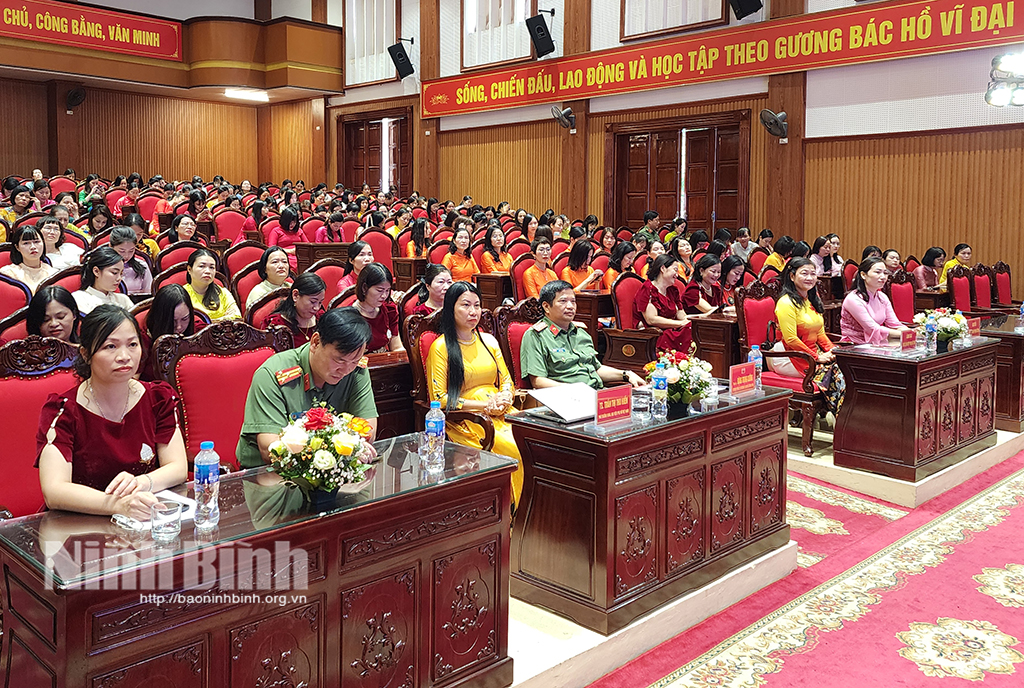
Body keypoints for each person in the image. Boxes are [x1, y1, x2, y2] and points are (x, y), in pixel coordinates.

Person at [36, 305, 188, 517]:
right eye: (110, 347)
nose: (124, 356)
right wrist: (117, 505)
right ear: (86, 354)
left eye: (132, 344)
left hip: (140, 518)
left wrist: (139, 483)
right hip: (79, 525)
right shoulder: (63, 410)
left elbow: (178, 467)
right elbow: (54, 491)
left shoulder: (158, 398)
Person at [237, 307, 377, 469]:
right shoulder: (273, 374)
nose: (346, 370)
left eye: (354, 361)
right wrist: (336, 451)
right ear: (316, 342)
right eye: (339, 360)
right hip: (267, 475)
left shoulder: (356, 370)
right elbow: (270, 448)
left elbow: (368, 428)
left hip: (335, 474)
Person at [425, 282, 522, 504]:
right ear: (451, 308)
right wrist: (483, 407)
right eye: (465, 305)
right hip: (468, 418)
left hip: (501, 411)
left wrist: (505, 397)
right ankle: (512, 516)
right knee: (513, 448)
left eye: (477, 305)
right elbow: (438, 398)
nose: (473, 311)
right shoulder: (441, 347)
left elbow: (506, 380)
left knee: (533, 441)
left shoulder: (488, 340)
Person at [520, 281, 645, 389]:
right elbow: (537, 381)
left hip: (596, 393)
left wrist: (626, 374)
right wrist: (574, 390)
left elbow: (596, 369)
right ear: (546, 307)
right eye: (563, 301)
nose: (570, 306)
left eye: (573, 301)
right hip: (566, 398)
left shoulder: (581, 332)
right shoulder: (536, 335)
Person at [774, 257, 843, 413]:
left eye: (813, 273)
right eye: (804, 273)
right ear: (792, 276)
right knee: (837, 373)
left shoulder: (810, 300)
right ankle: (840, 416)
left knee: (845, 365)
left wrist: (832, 350)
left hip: (812, 353)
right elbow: (791, 340)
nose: (810, 278)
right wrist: (817, 357)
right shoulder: (786, 303)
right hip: (790, 356)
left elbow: (820, 334)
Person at [633, 254, 693, 352]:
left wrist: (691, 321)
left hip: (671, 330)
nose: (677, 275)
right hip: (656, 334)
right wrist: (680, 323)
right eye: (675, 270)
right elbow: (651, 320)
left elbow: (680, 313)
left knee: (693, 328)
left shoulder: (672, 290)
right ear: (663, 268)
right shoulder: (648, 289)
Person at [841, 257, 907, 345]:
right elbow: (872, 328)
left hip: (876, 344)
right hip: (854, 346)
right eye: (877, 272)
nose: (883, 277)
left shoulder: (882, 297)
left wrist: (912, 333)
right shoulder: (853, 299)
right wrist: (905, 334)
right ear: (863, 275)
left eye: (885, 273)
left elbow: (894, 324)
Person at [139, 284, 200, 380]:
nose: (179, 327)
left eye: (184, 319)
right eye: (173, 321)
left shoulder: (198, 329)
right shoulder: (142, 338)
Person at [262, 273, 326, 349]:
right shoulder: (276, 325)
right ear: (295, 295)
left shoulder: (321, 318)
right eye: (312, 301)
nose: (316, 308)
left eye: (320, 302)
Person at [352, 263, 402, 353]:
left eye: (387, 290)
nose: (384, 296)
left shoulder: (389, 309)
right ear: (364, 288)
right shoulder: (350, 316)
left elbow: (397, 347)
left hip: (385, 362)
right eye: (379, 290)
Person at [73, 247, 133, 314]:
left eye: (121, 273)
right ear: (96, 271)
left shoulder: (123, 299)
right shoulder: (79, 298)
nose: (119, 278)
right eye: (114, 273)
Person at [184, 248, 240, 321]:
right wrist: (224, 318)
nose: (208, 271)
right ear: (189, 269)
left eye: (211, 267)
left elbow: (237, 317)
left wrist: (206, 322)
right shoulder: (182, 295)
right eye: (202, 266)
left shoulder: (223, 292)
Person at [0, 224, 57, 294]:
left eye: (36, 242)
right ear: (17, 247)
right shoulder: (8, 273)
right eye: (26, 243)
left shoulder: (53, 273)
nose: (33, 247)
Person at [246, 246, 293, 311]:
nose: (281, 266)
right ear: (265, 269)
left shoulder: (293, 288)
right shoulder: (258, 293)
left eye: (284, 262)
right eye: (275, 262)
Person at [109, 226, 153, 296]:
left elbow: (149, 293)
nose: (126, 256)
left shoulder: (142, 265)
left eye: (131, 251)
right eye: (122, 251)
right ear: (111, 246)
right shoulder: (103, 268)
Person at [266, 206, 303, 270]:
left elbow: (307, 245)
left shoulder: (298, 231)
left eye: (294, 222)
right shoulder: (276, 231)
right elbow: (271, 248)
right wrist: (289, 251)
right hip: (283, 256)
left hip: (300, 256)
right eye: (290, 222)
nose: (292, 224)